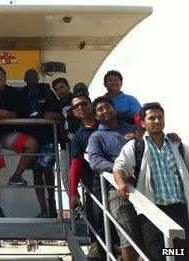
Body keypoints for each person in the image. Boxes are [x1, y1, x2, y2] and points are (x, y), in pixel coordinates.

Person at [114, 102, 189, 260]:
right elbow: (120, 166)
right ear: (143, 122)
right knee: (157, 254)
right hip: (152, 210)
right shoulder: (135, 146)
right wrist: (121, 182)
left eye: (160, 117)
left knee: (182, 254)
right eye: (152, 118)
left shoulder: (177, 146)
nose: (156, 121)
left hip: (179, 209)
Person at [0, 66, 38, 217]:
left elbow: (19, 113)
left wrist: (4, 114)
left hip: (8, 133)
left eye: (1, 75)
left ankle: (16, 175)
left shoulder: (13, 92)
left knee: (32, 144)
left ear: (6, 77)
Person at [87, 96, 139, 261]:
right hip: (117, 189)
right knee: (128, 237)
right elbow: (95, 161)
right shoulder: (96, 136)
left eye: (107, 107)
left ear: (114, 109)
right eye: (100, 110)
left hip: (144, 185)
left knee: (154, 236)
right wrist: (120, 171)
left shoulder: (133, 129)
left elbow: (153, 142)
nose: (105, 111)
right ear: (96, 116)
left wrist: (172, 137)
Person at [19, 69, 61, 218]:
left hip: (47, 136)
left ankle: (52, 203)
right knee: (36, 172)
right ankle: (43, 209)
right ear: (24, 79)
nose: (32, 78)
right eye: (29, 75)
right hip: (31, 138)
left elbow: (56, 108)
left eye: (34, 75)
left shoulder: (46, 90)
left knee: (47, 169)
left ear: (38, 78)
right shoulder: (21, 94)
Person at [67, 93, 103, 259]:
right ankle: (99, 249)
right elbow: (75, 164)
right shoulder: (78, 136)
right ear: (74, 113)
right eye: (76, 106)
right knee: (94, 216)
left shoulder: (107, 123)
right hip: (92, 182)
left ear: (91, 105)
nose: (80, 108)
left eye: (83, 104)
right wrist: (73, 192)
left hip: (117, 182)